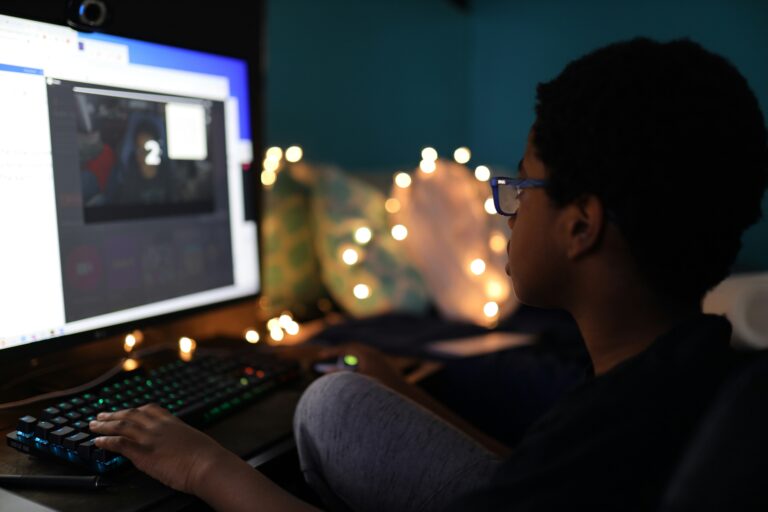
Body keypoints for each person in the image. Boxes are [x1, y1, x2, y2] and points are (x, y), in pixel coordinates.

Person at [88, 37, 768, 511]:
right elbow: (526, 480)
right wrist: (408, 395)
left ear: (581, 225)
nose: (505, 212)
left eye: (521, 187)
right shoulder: (684, 371)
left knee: (329, 408)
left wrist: (204, 467)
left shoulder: (619, 424)